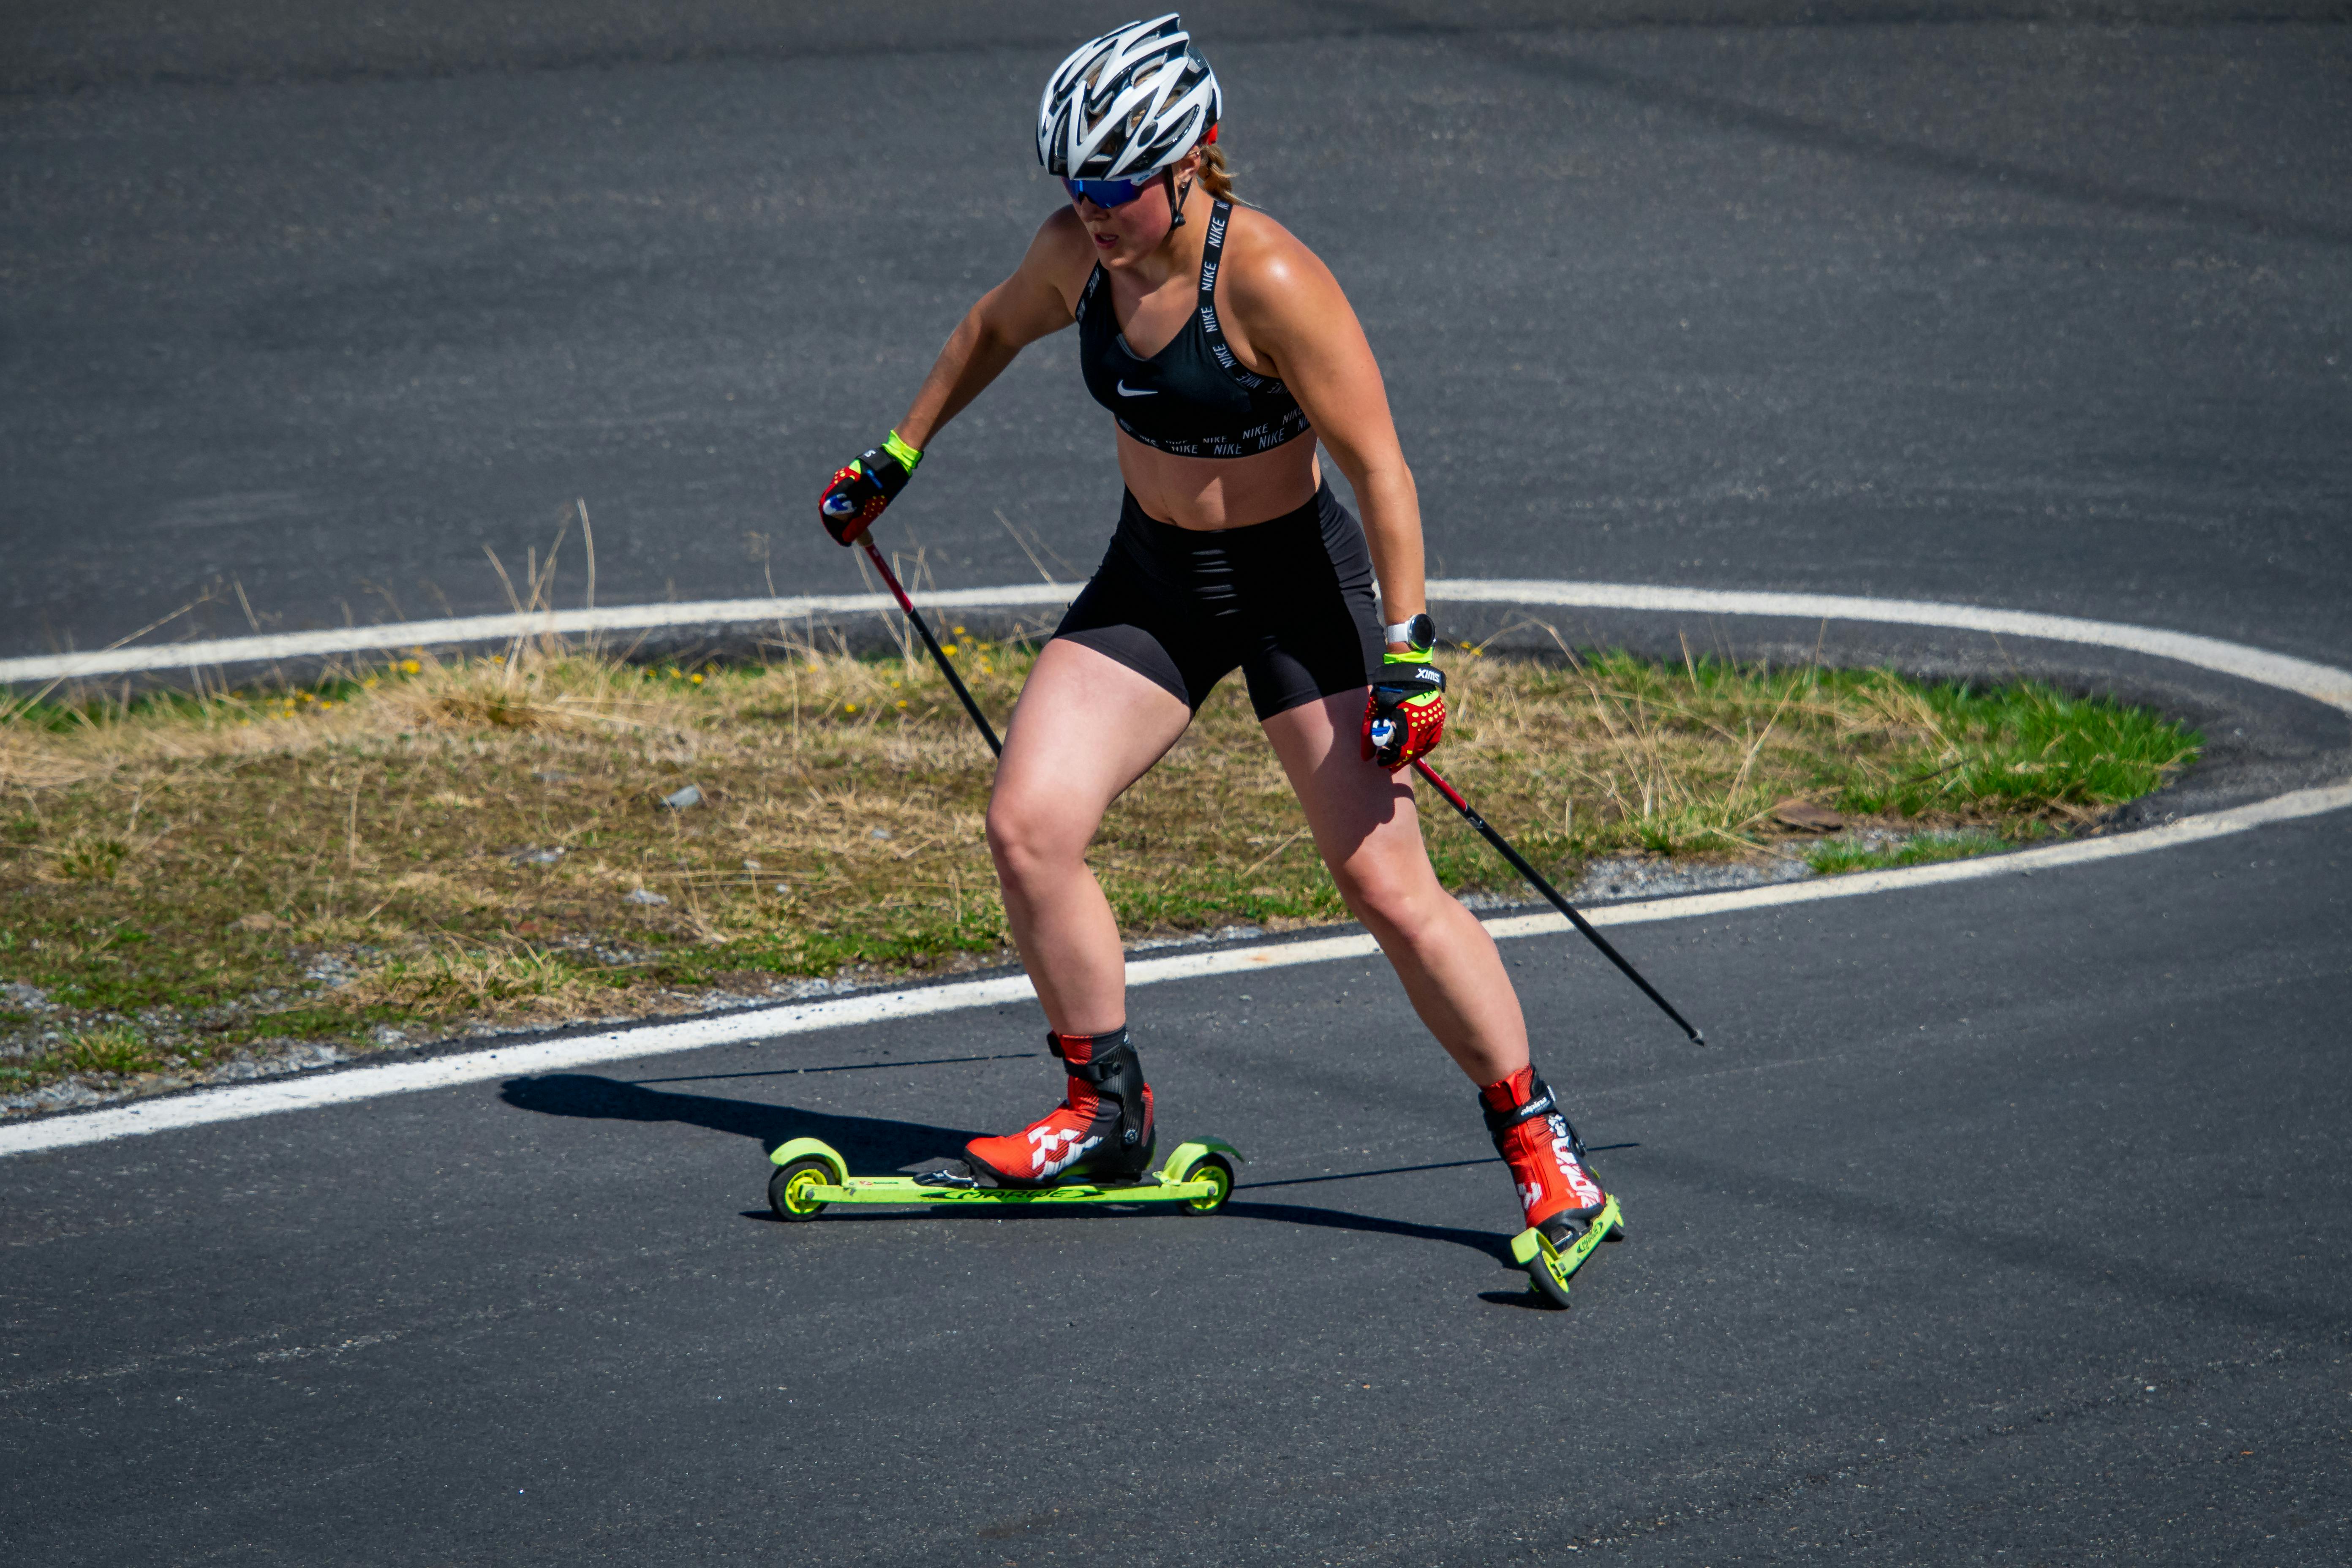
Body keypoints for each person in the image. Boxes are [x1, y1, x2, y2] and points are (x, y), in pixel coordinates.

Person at [817, 14, 1618, 1260]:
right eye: (1075, 186)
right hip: (1157, 582)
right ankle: (1102, 1112)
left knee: (1386, 886)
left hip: (1299, 587)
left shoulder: (1271, 282)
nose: (1093, 210)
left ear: (1192, 158)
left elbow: (1383, 469)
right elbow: (988, 328)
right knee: (1028, 826)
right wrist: (898, 453)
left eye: (1117, 186)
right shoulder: (1077, 258)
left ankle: (1541, 1147)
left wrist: (1411, 653)